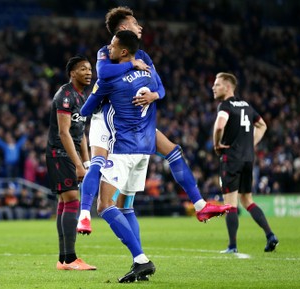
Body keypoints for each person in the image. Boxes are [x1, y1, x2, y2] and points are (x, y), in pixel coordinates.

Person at [77, 6, 231, 235]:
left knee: (173, 151)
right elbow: (104, 74)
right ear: (123, 28)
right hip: (107, 118)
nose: (140, 27)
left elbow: (160, 86)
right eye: (135, 23)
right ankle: (85, 215)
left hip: (135, 123)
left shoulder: (143, 55)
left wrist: (153, 95)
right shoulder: (106, 52)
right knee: (99, 162)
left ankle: (200, 205)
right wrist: (131, 65)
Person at [80, 30, 157, 283]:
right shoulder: (147, 72)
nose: (108, 49)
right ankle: (139, 263)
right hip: (144, 149)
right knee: (127, 207)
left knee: (104, 205)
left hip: (122, 149)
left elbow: (87, 108)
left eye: (113, 46)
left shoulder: (112, 79)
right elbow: (159, 90)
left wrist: (91, 100)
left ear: (124, 51)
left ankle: (141, 260)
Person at [212, 72, 279, 253]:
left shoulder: (225, 106)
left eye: (217, 84)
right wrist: (250, 143)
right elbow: (262, 125)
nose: (213, 87)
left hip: (231, 158)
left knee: (230, 203)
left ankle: (232, 246)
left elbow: (220, 125)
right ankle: (270, 234)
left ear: (227, 87)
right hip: (248, 158)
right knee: (247, 199)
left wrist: (217, 143)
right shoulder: (247, 106)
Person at [45, 55, 96, 271]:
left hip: (69, 155)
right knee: (72, 199)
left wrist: (87, 160)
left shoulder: (81, 97)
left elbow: (81, 133)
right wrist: (78, 164)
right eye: (83, 69)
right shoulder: (65, 95)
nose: (89, 72)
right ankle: (70, 259)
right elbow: (64, 133)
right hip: (60, 153)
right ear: (72, 72)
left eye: (90, 69)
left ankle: (64, 259)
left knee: (65, 202)